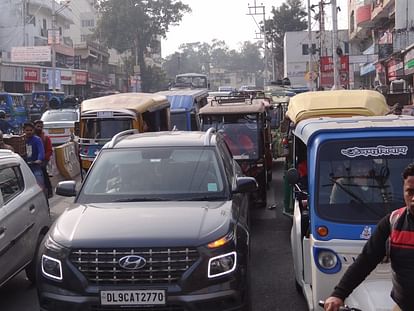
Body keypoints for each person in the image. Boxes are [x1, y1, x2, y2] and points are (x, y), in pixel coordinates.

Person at [324, 162, 414, 311]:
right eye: (410, 192)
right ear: (403, 191)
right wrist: (339, 294)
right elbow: (366, 260)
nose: (413, 199)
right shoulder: (392, 222)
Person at [23, 122, 45, 192]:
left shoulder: (37, 140)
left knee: (40, 185)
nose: (29, 132)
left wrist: (39, 159)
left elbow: (41, 151)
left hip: (35, 166)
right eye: (27, 130)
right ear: (23, 131)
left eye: (30, 130)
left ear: (33, 130)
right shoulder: (21, 140)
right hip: (25, 167)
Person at [34, 120, 54, 198]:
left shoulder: (46, 138)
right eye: (38, 126)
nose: (39, 128)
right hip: (34, 159)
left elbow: (49, 151)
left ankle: (49, 190)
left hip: (43, 160)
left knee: (43, 171)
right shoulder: (31, 138)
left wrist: (42, 158)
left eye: (41, 127)